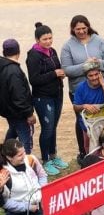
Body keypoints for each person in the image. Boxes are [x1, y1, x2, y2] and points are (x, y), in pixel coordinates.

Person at [60, 15, 104, 161]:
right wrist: (86, 66)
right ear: (73, 29)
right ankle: (84, 152)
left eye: (84, 28)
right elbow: (66, 69)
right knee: (82, 122)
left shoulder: (99, 41)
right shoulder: (68, 46)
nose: (81, 31)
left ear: (88, 26)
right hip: (79, 89)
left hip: (101, 88)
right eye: (78, 29)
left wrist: (98, 63)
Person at [26, 23, 67, 174]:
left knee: (53, 127)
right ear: (37, 39)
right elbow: (34, 79)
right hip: (43, 98)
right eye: (45, 39)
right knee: (47, 128)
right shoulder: (33, 55)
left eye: (50, 38)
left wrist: (61, 73)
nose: (48, 42)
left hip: (57, 93)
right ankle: (46, 160)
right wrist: (54, 74)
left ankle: (53, 155)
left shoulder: (52, 51)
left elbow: (58, 67)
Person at [0, 39, 36, 155]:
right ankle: (25, 164)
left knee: (12, 133)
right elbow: (19, 96)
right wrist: (29, 113)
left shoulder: (3, 67)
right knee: (25, 141)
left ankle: (3, 155)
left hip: (8, 111)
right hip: (19, 113)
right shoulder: (14, 70)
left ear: (4, 52)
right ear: (18, 52)